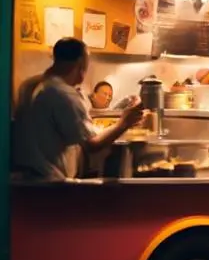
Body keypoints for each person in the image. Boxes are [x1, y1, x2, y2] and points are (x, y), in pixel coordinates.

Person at [12, 37, 143, 180]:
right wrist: (124, 123)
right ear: (81, 63)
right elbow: (92, 145)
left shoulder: (30, 85)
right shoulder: (64, 93)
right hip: (48, 182)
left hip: (23, 181)